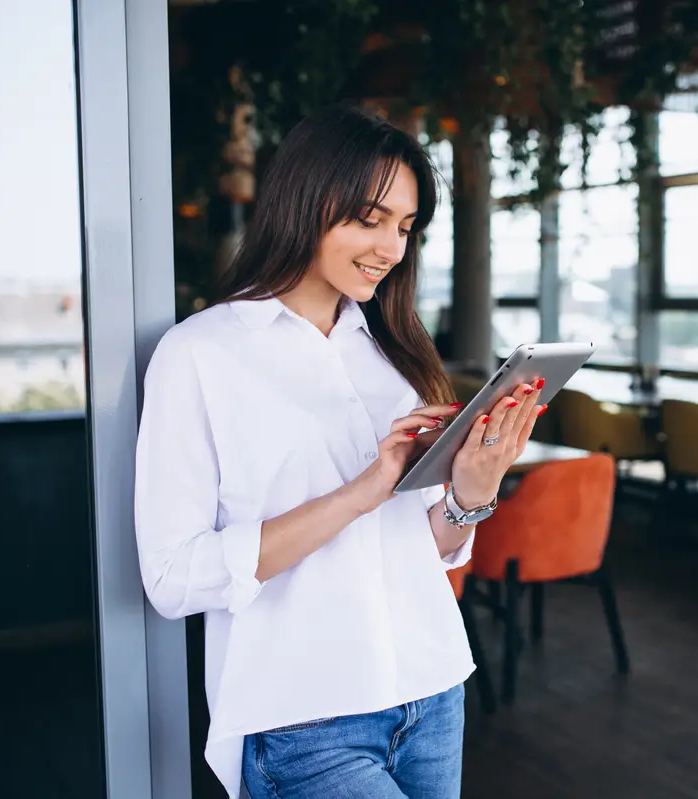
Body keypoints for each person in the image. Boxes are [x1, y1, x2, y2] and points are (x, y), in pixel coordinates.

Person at [133, 104, 545, 799]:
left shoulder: (396, 356)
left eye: (406, 227)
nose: (391, 247)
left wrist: (471, 491)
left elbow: (421, 540)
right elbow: (173, 577)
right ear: (306, 201)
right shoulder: (199, 354)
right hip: (305, 717)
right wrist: (364, 487)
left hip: (433, 689)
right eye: (370, 218)